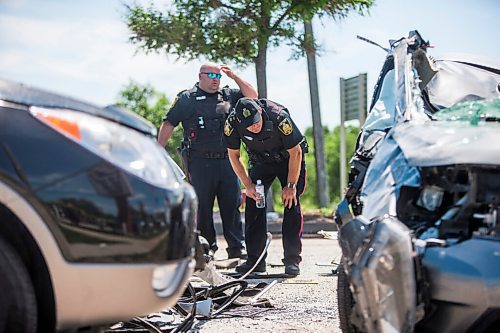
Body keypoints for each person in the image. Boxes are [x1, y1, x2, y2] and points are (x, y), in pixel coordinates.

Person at [158, 62, 258, 259]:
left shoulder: (229, 95)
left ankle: (237, 248)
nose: (215, 80)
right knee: (203, 207)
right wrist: (158, 150)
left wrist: (234, 76)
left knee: (232, 204)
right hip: (199, 162)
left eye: (218, 76)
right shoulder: (187, 98)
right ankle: (206, 249)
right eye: (211, 75)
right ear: (200, 76)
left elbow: (253, 96)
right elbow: (169, 123)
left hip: (228, 161)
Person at [223, 97, 308, 276]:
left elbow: (296, 152)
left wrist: (291, 185)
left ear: (260, 112)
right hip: (261, 162)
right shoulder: (232, 122)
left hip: (288, 161)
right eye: (248, 125)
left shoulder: (278, 116)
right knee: (254, 205)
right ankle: (256, 261)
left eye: (255, 122)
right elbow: (234, 156)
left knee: (291, 204)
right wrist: (248, 185)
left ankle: (292, 260)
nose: (253, 127)